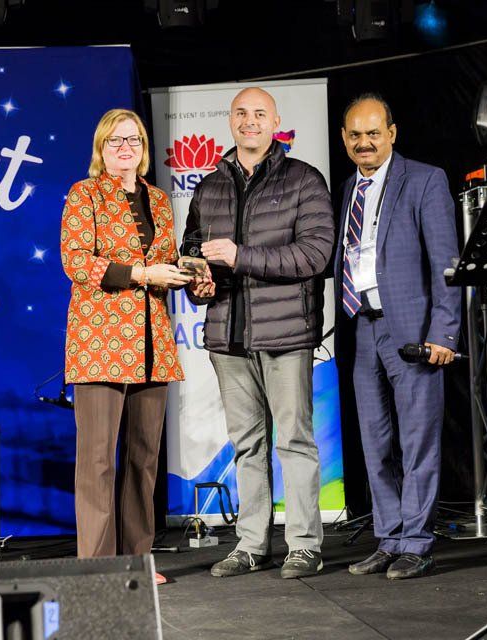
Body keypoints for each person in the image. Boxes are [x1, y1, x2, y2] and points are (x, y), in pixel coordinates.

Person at [183, 87, 335, 579]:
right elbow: (192, 251)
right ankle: (251, 544)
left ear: (276, 123)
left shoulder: (303, 180)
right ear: (230, 120)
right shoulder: (209, 187)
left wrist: (241, 255)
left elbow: (315, 256)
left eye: (260, 114)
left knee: (293, 440)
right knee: (247, 444)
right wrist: (198, 281)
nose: (250, 122)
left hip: (286, 334)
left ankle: (305, 545)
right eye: (242, 113)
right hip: (228, 335)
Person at [61, 108, 192, 583]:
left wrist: (188, 276)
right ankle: (98, 566)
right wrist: (141, 274)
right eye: (115, 141)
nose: (125, 149)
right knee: (97, 460)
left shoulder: (158, 199)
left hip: (152, 342)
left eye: (133, 140)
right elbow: (76, 261)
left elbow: (164, 262)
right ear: (101, 148)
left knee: (143, 459)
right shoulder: (85, 194)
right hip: (100, 345)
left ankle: (138, 560)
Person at [334, 93, 461, 580]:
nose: (364, 143)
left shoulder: (426, 181)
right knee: (375, 442)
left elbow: (446, 265)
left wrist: (444, 332)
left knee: (417, 441)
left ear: (392, 133)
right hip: (363, 326)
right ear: (345, 140)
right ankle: (388, 538)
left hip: (411, 329)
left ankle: (416, 542)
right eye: (355, 135)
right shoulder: (349, 187)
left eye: (373, 133)